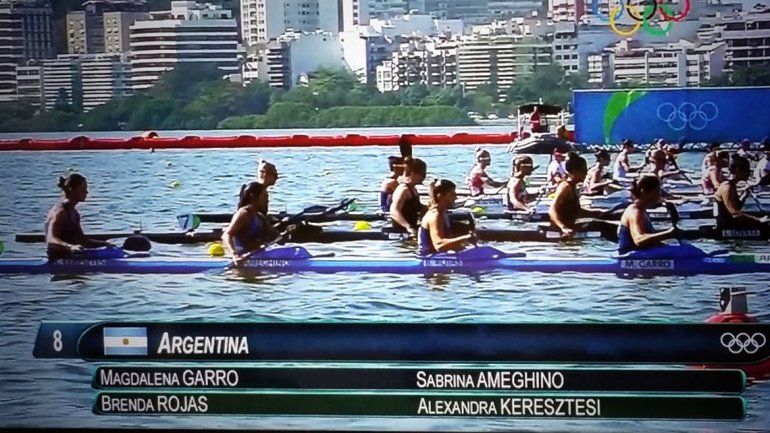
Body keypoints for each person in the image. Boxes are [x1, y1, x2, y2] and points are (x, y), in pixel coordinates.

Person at [45, 174, 114, 259]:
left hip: (72, 254)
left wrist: (105, 243)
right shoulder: (60, 212)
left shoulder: (75, 214)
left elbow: (83, 240)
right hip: (58, 257)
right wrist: (70, 246)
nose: (87, 192)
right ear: (72, 190)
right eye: (83, 189)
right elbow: (51, 238)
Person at [548, 153, 605, 238]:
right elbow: (551, 210)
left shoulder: (574, 186)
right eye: (584, 171)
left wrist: (596, 213)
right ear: (574, 171)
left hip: (572, 225)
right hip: (563, 230)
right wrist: (563, 228)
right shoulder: (565, 187)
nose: (586, 174)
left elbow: (577, 211)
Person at [617, 175, 677, 254]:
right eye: (656, 191)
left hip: (641, 253)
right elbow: (639, 239)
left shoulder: (641, 210)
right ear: (644, 192)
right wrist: (668, 234)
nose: (659, 194)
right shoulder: (635, 212)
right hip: (631, 257)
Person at [222, 182, 279, 266]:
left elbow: (277, 238)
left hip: (258, 257)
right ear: (253, 197)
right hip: (242, 259)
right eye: (264, 197)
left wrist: (289, 232)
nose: (267, 200)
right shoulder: (243, 214)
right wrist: (234, 255)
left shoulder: (261, 217)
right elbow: (226, 235)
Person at [418, 179, 476, 255]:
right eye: (452, 194)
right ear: (440, 196)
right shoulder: (435, 215)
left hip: (440, 256)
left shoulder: (443, 213)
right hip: (429, 258)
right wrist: (466, 238)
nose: (456, 197)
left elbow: (449, 240)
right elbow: (439, 245)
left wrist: (466, 246)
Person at [714, 155, 768, 230]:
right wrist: (758, 220)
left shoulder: (732, 185)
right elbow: (735, 213)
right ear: (738, 170)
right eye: (747, 170)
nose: (749, 173)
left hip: (731, 222)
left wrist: (745, 195)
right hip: (727, 226)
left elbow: (737, 207)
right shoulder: (727, 187)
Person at [390, 157, 428, 237]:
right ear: (413, 173)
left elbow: (418, 207)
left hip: (412, 227)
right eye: (423, 174)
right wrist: (408, 227)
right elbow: (394, 211)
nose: (424, 178)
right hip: (402, 230)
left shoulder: (413, 189)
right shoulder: (403, 189)